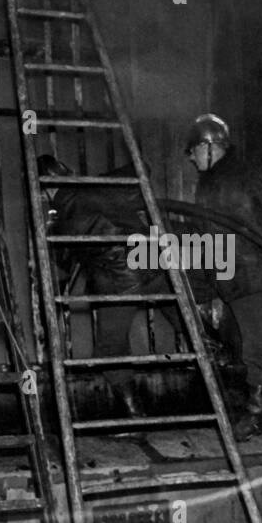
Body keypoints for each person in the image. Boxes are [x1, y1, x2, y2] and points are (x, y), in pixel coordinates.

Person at [186, 113, 262, 440]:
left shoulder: (249, 175)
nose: (190, 157)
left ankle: (258, 413)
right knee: (182, 297)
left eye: (193, 150)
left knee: (256, 346)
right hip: (222, 270)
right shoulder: (209, 181)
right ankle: (219, 355)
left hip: (250, 273)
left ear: (209, 146)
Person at [39, 155, 180, 417]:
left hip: (120, 282)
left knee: (110, 348)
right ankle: (221, 366)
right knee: (185, 321)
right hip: (153, 266)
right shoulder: (96, 186)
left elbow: (66, 262)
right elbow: (142, 166)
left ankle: (135, 414)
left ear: (46, 187)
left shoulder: (63, 216)